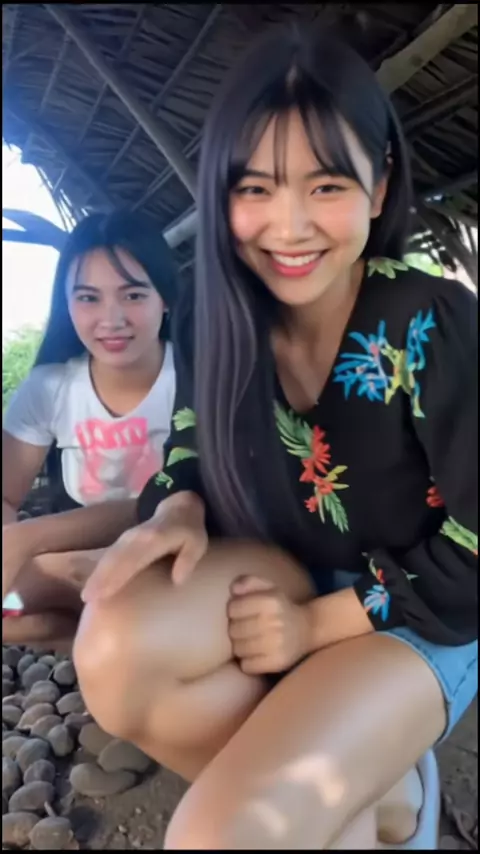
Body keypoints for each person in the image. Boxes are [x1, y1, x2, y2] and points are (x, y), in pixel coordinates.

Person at [72, 26, 477, 849]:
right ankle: (385, 796)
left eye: (325, 185)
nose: (288, 227)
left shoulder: (430, 324)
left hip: (419, 613)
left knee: (217, 837)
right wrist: (178, 507)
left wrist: (315, 628)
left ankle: (384, 792)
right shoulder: (218, 322)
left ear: (378, 185)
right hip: (282, 576)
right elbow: (188, 441)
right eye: (255, 188)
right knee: (112, 649)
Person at [2, 211, 178, 649]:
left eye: (133, 295)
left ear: (165, 298)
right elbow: (5, 495)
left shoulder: (200, 379)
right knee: (14, 601)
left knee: (121, 598)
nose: (111, 319)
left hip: (180, 560)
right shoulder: (50, 389)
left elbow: (175, 502)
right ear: (67, 303)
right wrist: (9, 552)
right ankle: (64, 632)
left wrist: (29, 537)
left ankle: (92, 627)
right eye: (88, 298)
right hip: (77, 567)